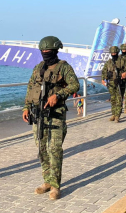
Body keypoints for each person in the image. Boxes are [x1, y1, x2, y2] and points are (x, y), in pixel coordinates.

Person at [22, 36, 80, 200]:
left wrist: (58, 95)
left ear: (55, 51)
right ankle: (47, 181)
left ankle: (55, 186)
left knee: (54, 150)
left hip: (55, 115)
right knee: (42, 150)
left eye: (48, 51)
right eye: (43, 51)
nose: (45, 53)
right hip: (38, 115)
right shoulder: (38, 68)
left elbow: (75, 85)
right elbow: (30, 87)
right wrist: (26, 107)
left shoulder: (64, 68)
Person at [101, 46, 126, 122]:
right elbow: (104, 71)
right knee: (113, 99)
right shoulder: (109, 62)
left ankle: (117, 116)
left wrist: (125, 73)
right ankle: (113, 114)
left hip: (120, 82)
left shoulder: (122, 60)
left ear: (117, 53)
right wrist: (103, 79)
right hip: (111, 83)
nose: (113, 54)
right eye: (112, 53)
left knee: (119, 99)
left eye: (115, 53)